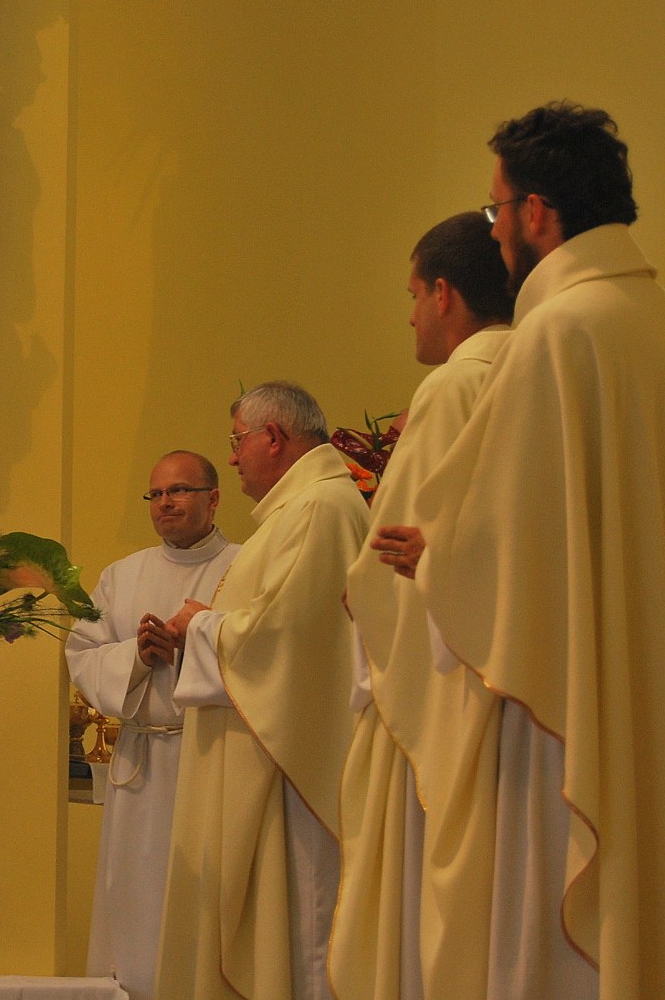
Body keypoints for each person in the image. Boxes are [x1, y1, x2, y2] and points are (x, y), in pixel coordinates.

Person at [391, 102, 665, 999]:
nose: (496, 227)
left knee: (544, 922)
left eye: (498, 206)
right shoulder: (647, 316)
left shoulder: (558, 331)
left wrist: (434, 555)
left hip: (563, 687)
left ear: (537, 212)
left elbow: (511, 544)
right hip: (642, 666)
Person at [329, 213, 511, 1000]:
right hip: (516, 668)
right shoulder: (540, 363)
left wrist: (363, 594)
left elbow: (389, 559)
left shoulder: (456, 383)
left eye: (412, 295)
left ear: (444, 293)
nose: (409, 316)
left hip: (441, 680)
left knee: (416, 910)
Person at [148, 382, 369, 1000]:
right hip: (272, 758)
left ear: (273, 437)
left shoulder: (320, 509)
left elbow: (290, 640)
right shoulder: (301, 510)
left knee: (299, 935)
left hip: (290, 773)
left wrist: (201, 626)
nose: (234, 456)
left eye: (237, 440)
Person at [66, 451, 239, 1000]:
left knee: (204, 892)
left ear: (214, 498)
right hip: (141, 765)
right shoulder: (122, 575)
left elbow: (262, 655)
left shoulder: (243, 568)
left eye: (180, 490)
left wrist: (187, 651)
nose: (165, 503)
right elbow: (82, 654)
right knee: (134, 892)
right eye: (157, 494)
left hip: (211, 757)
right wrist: (138, 657)